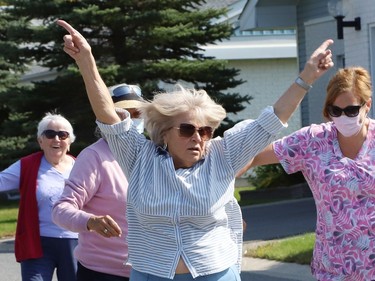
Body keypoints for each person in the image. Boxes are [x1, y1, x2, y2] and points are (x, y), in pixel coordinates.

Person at [56, 19, 334, 281]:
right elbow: (108, 114)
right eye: (188, 129)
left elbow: (272, 119)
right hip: (151, 272)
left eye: (205, 131)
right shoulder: (139, 157)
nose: (198, 138)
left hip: (214, 272)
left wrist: (307, 76)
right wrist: (86, 60)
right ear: (164, 132)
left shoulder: (224, 154)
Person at [237, 66, 375, 280]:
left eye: (351, 110)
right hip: (333, 268)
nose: (342, 117)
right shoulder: (312, 141)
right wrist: (219, 187)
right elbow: (252, 157)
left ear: (367, 105)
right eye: (335, 111)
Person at [52, 84, 144, 281]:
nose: (131, 119)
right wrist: (91, 222)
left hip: (150, 271)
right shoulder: (94, 157)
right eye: (124, 113)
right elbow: (61, 209)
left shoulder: (152, 153)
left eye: (138, 113)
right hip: (104, 273)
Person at [0, 112, 78, 281]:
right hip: (37, 243)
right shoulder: (26, 165)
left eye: (62, 134)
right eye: (50, 134)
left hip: (75, 243)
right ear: (40, 141)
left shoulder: (81, 167)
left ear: (69, 141)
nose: (56, 139)